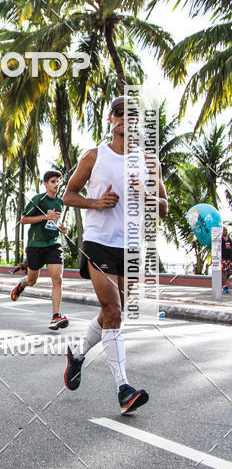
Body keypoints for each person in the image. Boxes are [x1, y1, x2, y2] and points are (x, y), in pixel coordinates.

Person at [62, 96, 168, 415]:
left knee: (112, 314)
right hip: (99, 241)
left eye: (134, 115)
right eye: (121, 113)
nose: (127, 119)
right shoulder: (95, 156)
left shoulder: (150, 162)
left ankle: (78, 356)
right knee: (113, 307)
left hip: (131, 245)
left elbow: (163, 207)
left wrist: (147, 193)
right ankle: (123, 388)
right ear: (111, 118)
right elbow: (69, 194)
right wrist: (97, 203)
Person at [10, 170, 69, 330]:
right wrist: (44, 217)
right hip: (36, 245)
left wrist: (62, 228)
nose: (56, 184)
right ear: (46, 184)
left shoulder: (60, 202)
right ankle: (21, 285)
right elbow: (23, 219)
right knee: (32, 280)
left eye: (58, 181)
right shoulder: (38, 200)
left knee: (58, 279)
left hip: (53, 244)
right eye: (53, 181)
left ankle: (56, 316)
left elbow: (55, 223)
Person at [222, 226, 232, 293]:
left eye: (225, 230)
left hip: (229, 258)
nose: (224, 231)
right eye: (223, 230)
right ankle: (224, 286)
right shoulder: (220, 239)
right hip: (223, 257)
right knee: (224, 272)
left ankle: (223, 281)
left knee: (230, 271)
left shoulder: (229, 239)